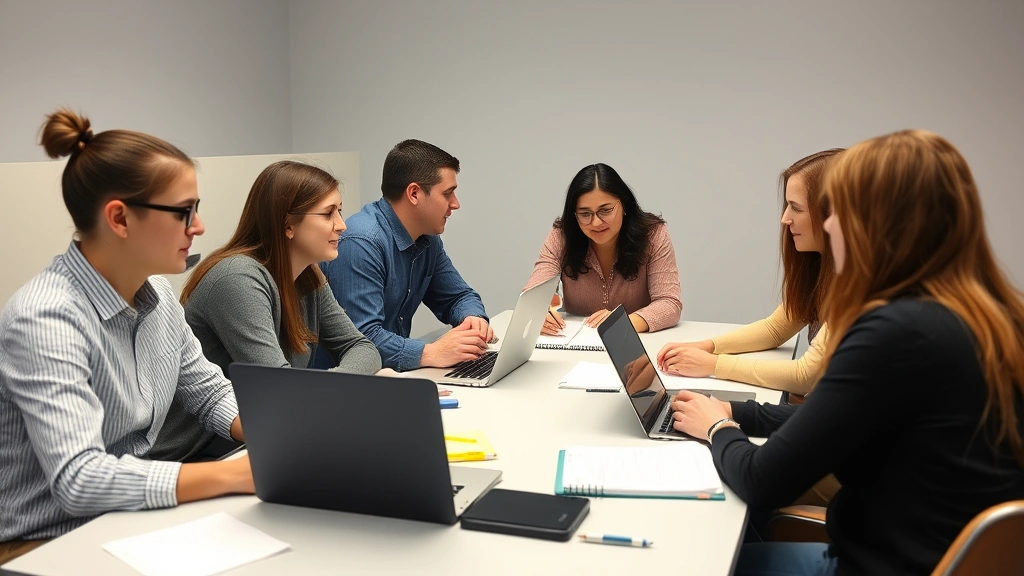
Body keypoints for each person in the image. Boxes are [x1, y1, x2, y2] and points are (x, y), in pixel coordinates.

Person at [670, 130, 1024, 575]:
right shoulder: (990, 316)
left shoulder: (894, 332)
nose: (830, 223)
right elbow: (843, 415)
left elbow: (763, 480)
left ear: (876, 222)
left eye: (839, 211)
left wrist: (718, 428)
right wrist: (739, 413)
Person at [0, 110, 253, 563]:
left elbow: (209, 393)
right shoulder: (44, 318)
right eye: (183, 212)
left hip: (126, 523)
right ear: (119, 218)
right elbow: (80, 479)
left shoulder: (154, 289)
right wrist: (234, 476)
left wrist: (282, 438)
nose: (199, 227)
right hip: (39, 547)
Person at [150, 161, 381, 462]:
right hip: (190, 455)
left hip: (249, 441)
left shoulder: (308, 276)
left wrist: (333, 390)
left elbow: (363, 347)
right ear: (287, 225)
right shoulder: (237, 278)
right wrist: (345, 388)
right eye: (328, 213)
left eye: (339, 211)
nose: (342, 224)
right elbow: (281, 391)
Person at [657, 150, 843, 397]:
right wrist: (706, 347)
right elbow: (776, 329)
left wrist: (713, 365)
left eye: (796, 208)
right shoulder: (819, 264)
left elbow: (806, 377)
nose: (785, 219)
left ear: (832, 213)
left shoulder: (857, 282)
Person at [314, 139, 492, 372]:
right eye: (447, 193)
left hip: (388, 378)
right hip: (340, 390)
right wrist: (431, 352)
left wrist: (473, 320)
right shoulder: (361, 242)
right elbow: (362, 340)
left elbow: (458, 296)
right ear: (414, 193)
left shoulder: (428, 240)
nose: (455, 204)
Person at [524, 163, 681, 335]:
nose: (596, 222)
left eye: (605, 210)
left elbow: (669, 303)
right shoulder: (561, 236)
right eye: (585, 214)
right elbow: (533, 294)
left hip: (635, 344)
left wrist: (621, 324)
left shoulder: (653, 235)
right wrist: (537, 312)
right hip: (576, 344)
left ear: (624, 206)